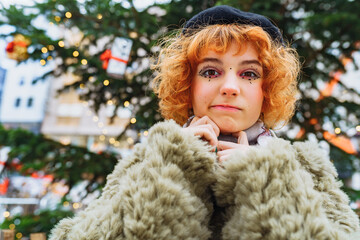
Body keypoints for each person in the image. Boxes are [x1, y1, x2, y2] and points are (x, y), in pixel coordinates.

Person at [49, 5, 360, 240]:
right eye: (211, 71)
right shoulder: (148, 161)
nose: (230, 86)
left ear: (267, 89)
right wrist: (175, 165)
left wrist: (263, 176)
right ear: (188, 84)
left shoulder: (304, 166)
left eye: (249, 74)